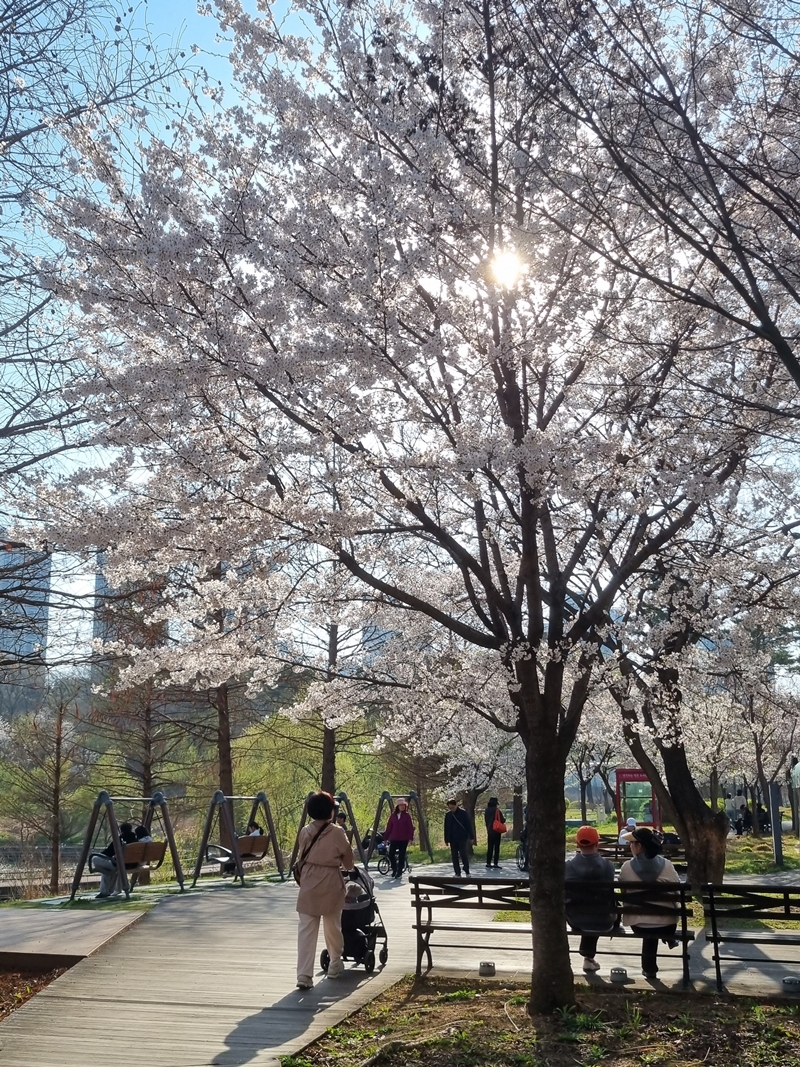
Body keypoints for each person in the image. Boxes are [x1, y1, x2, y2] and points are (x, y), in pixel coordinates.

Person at [295, 791, 354, 990]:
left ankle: (304, 974)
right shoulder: (337, 832)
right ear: (329, 810)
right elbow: (348, 862)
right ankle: (335, 962)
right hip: (330, 880)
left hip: (309, 882)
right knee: (332, 927)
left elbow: (300, 856)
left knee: (306, 930)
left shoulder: (305, 831)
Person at [619, 826, 680, 979]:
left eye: (631, 843)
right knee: (656, 923)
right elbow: (677, 893)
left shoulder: (626, 868)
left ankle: (649, 968)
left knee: (647, 925)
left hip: (638, 924)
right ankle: (665, 943)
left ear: (639, 846)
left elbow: (624, 893)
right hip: (667, 924)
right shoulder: (667, 865)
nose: (630, 846)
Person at [564, 826, 617, 973]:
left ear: (577, 843)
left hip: (576, 919)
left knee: (586, 912)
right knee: (596, 913)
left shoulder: (567, 867)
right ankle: (588, 958)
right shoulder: (608, 866)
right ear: (597, 843)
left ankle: (588, 957)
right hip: (604, 920)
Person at [93, 821, 137, 898]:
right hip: (132, 864)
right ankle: (110, 891)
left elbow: (107, 853)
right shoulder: (136, 840)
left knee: (94, 858)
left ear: (121, 830)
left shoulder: (120, 840)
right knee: (108, 869)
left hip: (120, 865)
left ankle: (105, 892)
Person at [383, 798, 414, 879]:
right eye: (400, 805)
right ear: (397, 806)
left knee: (401, 855)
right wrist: (385, 838)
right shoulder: (393, 816)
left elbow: (410, 827)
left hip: (404, 839)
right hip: (394, 838)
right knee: (391, 854)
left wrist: (411, 837)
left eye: (403, 805)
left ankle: (399, 871)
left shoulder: (407, 816)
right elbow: (389, 827)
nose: (402, 807)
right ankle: (394, 868)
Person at [444, 798, 474, 876]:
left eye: (453, 808)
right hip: (452, 838)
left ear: (456, 805)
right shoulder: (448, 815)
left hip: (462, 837)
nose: (452, 809)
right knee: (454, 856)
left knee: (463, 854)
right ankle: (457, 872)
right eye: (450, 808)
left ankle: (467, 870)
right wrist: (446, 839)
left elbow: (468, 826)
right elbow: (446, 828)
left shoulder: (463, 813)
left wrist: (471, 837)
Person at [484, 797, 505, 868]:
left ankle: (488, 862)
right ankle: (495, 863)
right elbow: (502, 820)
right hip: (496, 831)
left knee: (490, 847)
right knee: (496, 848)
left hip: (489, 831)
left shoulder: (486, 810)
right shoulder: (497, 811)